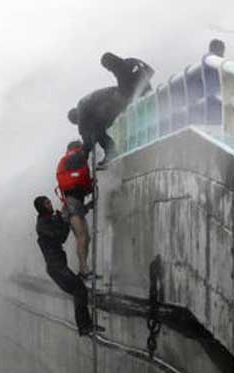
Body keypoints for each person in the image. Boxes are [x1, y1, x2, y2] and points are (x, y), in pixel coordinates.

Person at [33, 195, 103, 336]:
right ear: (41, 207)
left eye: (49, 201)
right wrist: (64, 219)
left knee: (78, 288)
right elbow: (61, 237)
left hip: (59, 267)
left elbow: (71, 215)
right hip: (56, 268)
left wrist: (86, 208)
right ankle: (84, 326)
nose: (50, 204)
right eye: (47, 203)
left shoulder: (50, 219)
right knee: (79, 289)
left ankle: (85, 325)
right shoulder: (43, 224)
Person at [68, 52, 154, 166]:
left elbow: (86, 137)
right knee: (98, 127)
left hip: (116, 100)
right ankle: (112, 150)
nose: (109, 70)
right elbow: (150, 71)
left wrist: (84, 154)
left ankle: (111, 152)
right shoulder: (130, 61)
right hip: (120, 95)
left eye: (108, 67)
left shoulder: (82, 108)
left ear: (76, 118)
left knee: (97, 131)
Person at [56, 141, 96, 280]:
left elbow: (78, 181)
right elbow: (78, 180)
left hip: (75, 202)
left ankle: (83, 268)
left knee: (86, 237)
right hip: (72, 203)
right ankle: (83, 269)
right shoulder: (73, 158)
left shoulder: (68, 161)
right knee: (82, 237)